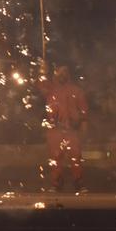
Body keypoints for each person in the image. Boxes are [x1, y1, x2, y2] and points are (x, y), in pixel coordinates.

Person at [37, 63, 88, 192]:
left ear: (68, 74)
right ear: (56, 73)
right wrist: (42, 72)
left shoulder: (76, 90)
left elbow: (83, 110)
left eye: (65, 71)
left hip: (72, 129)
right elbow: (41, 86)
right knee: (55, 158)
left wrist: (83, 125)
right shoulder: (50, 89)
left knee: (75, 157)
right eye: (60, 71)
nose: (62, 74)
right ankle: (56, 184)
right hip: (55, 129)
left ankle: (79, 183)